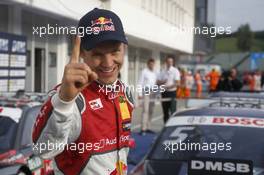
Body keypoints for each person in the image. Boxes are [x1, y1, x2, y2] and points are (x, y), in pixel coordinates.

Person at [32, 8, 134, 175]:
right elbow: (43, 150)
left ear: (124, 47)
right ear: (81, 53)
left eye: (115, 51)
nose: (108, 63)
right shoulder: (67, 96)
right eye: (97, 54)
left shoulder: (125, 93)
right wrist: (64, 102)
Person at [157, 56, 180, 123]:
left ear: (173, 63)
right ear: (166, 62)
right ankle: (166, 126)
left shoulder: (175, 71)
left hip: (172, 93)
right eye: (168, 61)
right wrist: (162, 82)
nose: (169, 63)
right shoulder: (163, 71)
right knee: (165, 111)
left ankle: (172, 126)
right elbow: (157, 82)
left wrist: (168, 87)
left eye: (171, 62)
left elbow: (177, 83)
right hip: (164, 93)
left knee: (173, 111)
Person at [138, 58, 157, 135]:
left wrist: (157, 93)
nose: (152, 65)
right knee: (145, 110)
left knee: (151, 110)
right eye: (150, 64)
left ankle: (148, 127)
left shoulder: (155, 73)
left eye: (153, 64)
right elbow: (140, 82)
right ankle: (143, 128)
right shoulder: (144, 72)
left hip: (153, 92)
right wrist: (139, 94)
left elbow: (155, 84)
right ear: (148, 64)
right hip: (146, 91)